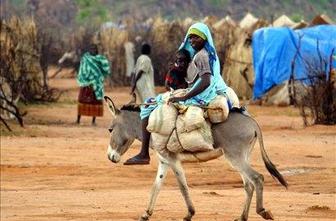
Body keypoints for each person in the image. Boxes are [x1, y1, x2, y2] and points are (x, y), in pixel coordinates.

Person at [123, 48, 191, 165]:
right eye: (179, 61)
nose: (181, 64)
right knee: (148, 105)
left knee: (149, 105)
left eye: (184, 61)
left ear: (188, 62)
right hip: (173, 94)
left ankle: (144, 153)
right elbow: (167, 85)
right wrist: (173, 91)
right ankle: (144, 152)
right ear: (176, 61)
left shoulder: (189, 71)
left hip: (184, 96)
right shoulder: (173, 71)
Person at [76, 44, 110, 125]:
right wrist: (85, 77)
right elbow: (82, 69)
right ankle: (78, 120)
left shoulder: (100, 59)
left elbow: (105, 69)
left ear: (97, 50)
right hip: (86, 83)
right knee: (82, 100)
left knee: (95, 101)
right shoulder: (85, 58)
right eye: (91, 49)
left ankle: (93, 121)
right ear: (89, 50)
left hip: (96, 83)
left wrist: (99, 76)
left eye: (94, 49)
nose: (93, 50)